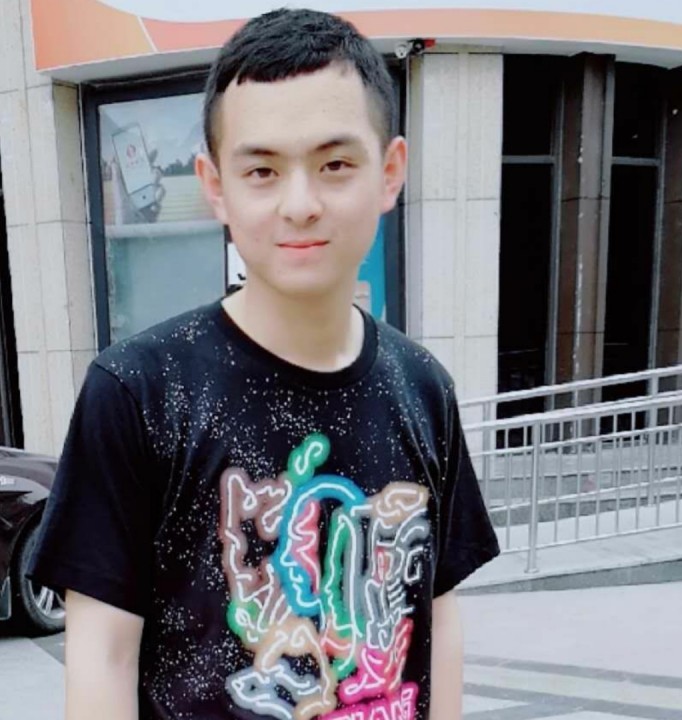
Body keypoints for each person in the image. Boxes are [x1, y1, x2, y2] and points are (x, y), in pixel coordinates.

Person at [29, 8, 499, 720]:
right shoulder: (137, 391)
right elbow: (102, 657)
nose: (300, 204)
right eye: (262, 170)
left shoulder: (424, 386)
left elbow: (439, 612)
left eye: (335, 164)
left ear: (390, 172)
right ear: (215, 184)